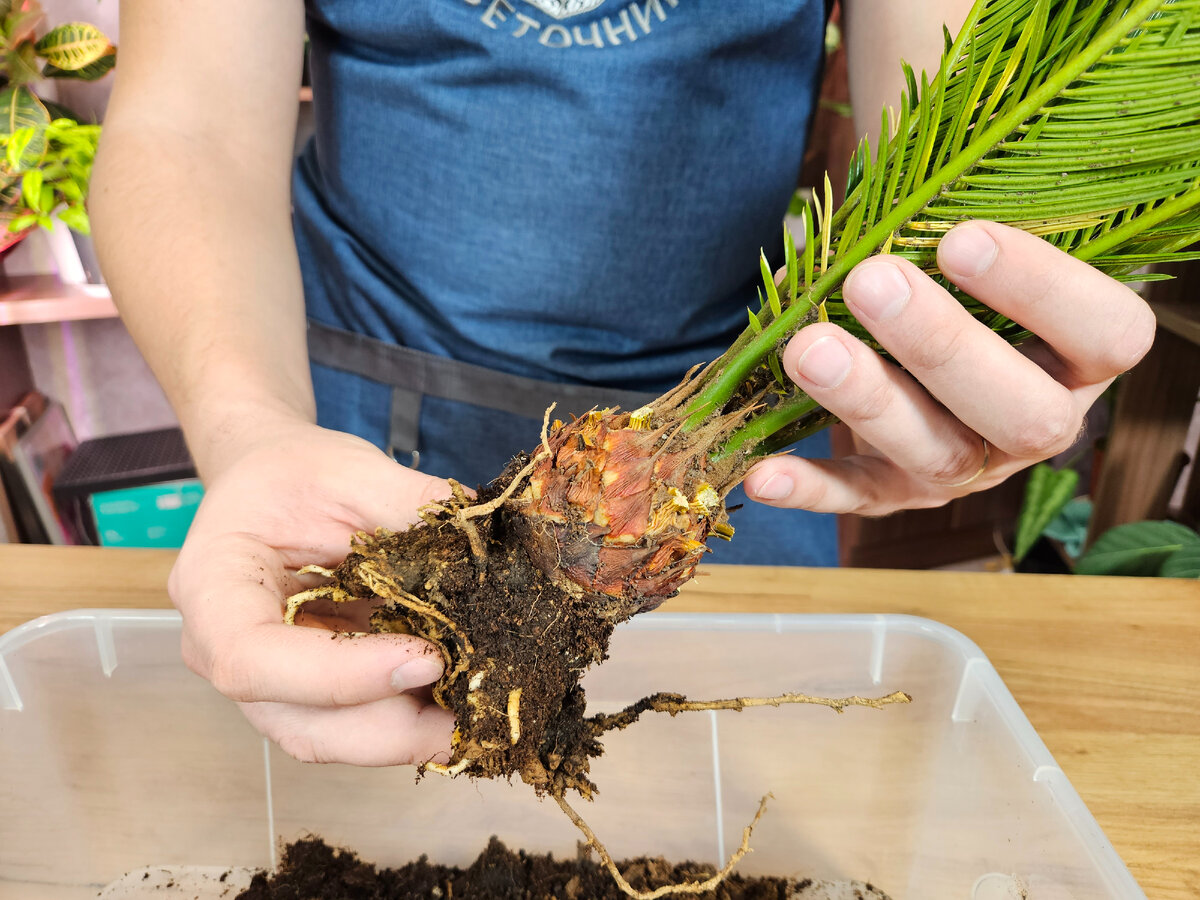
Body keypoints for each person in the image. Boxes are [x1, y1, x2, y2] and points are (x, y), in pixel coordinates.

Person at [89, 1, 1154, 768]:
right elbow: (187, 126)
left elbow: (966, 106)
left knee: (727, 783)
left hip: (723, 468)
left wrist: (993, 310)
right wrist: (250, 430)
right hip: (353, 440)